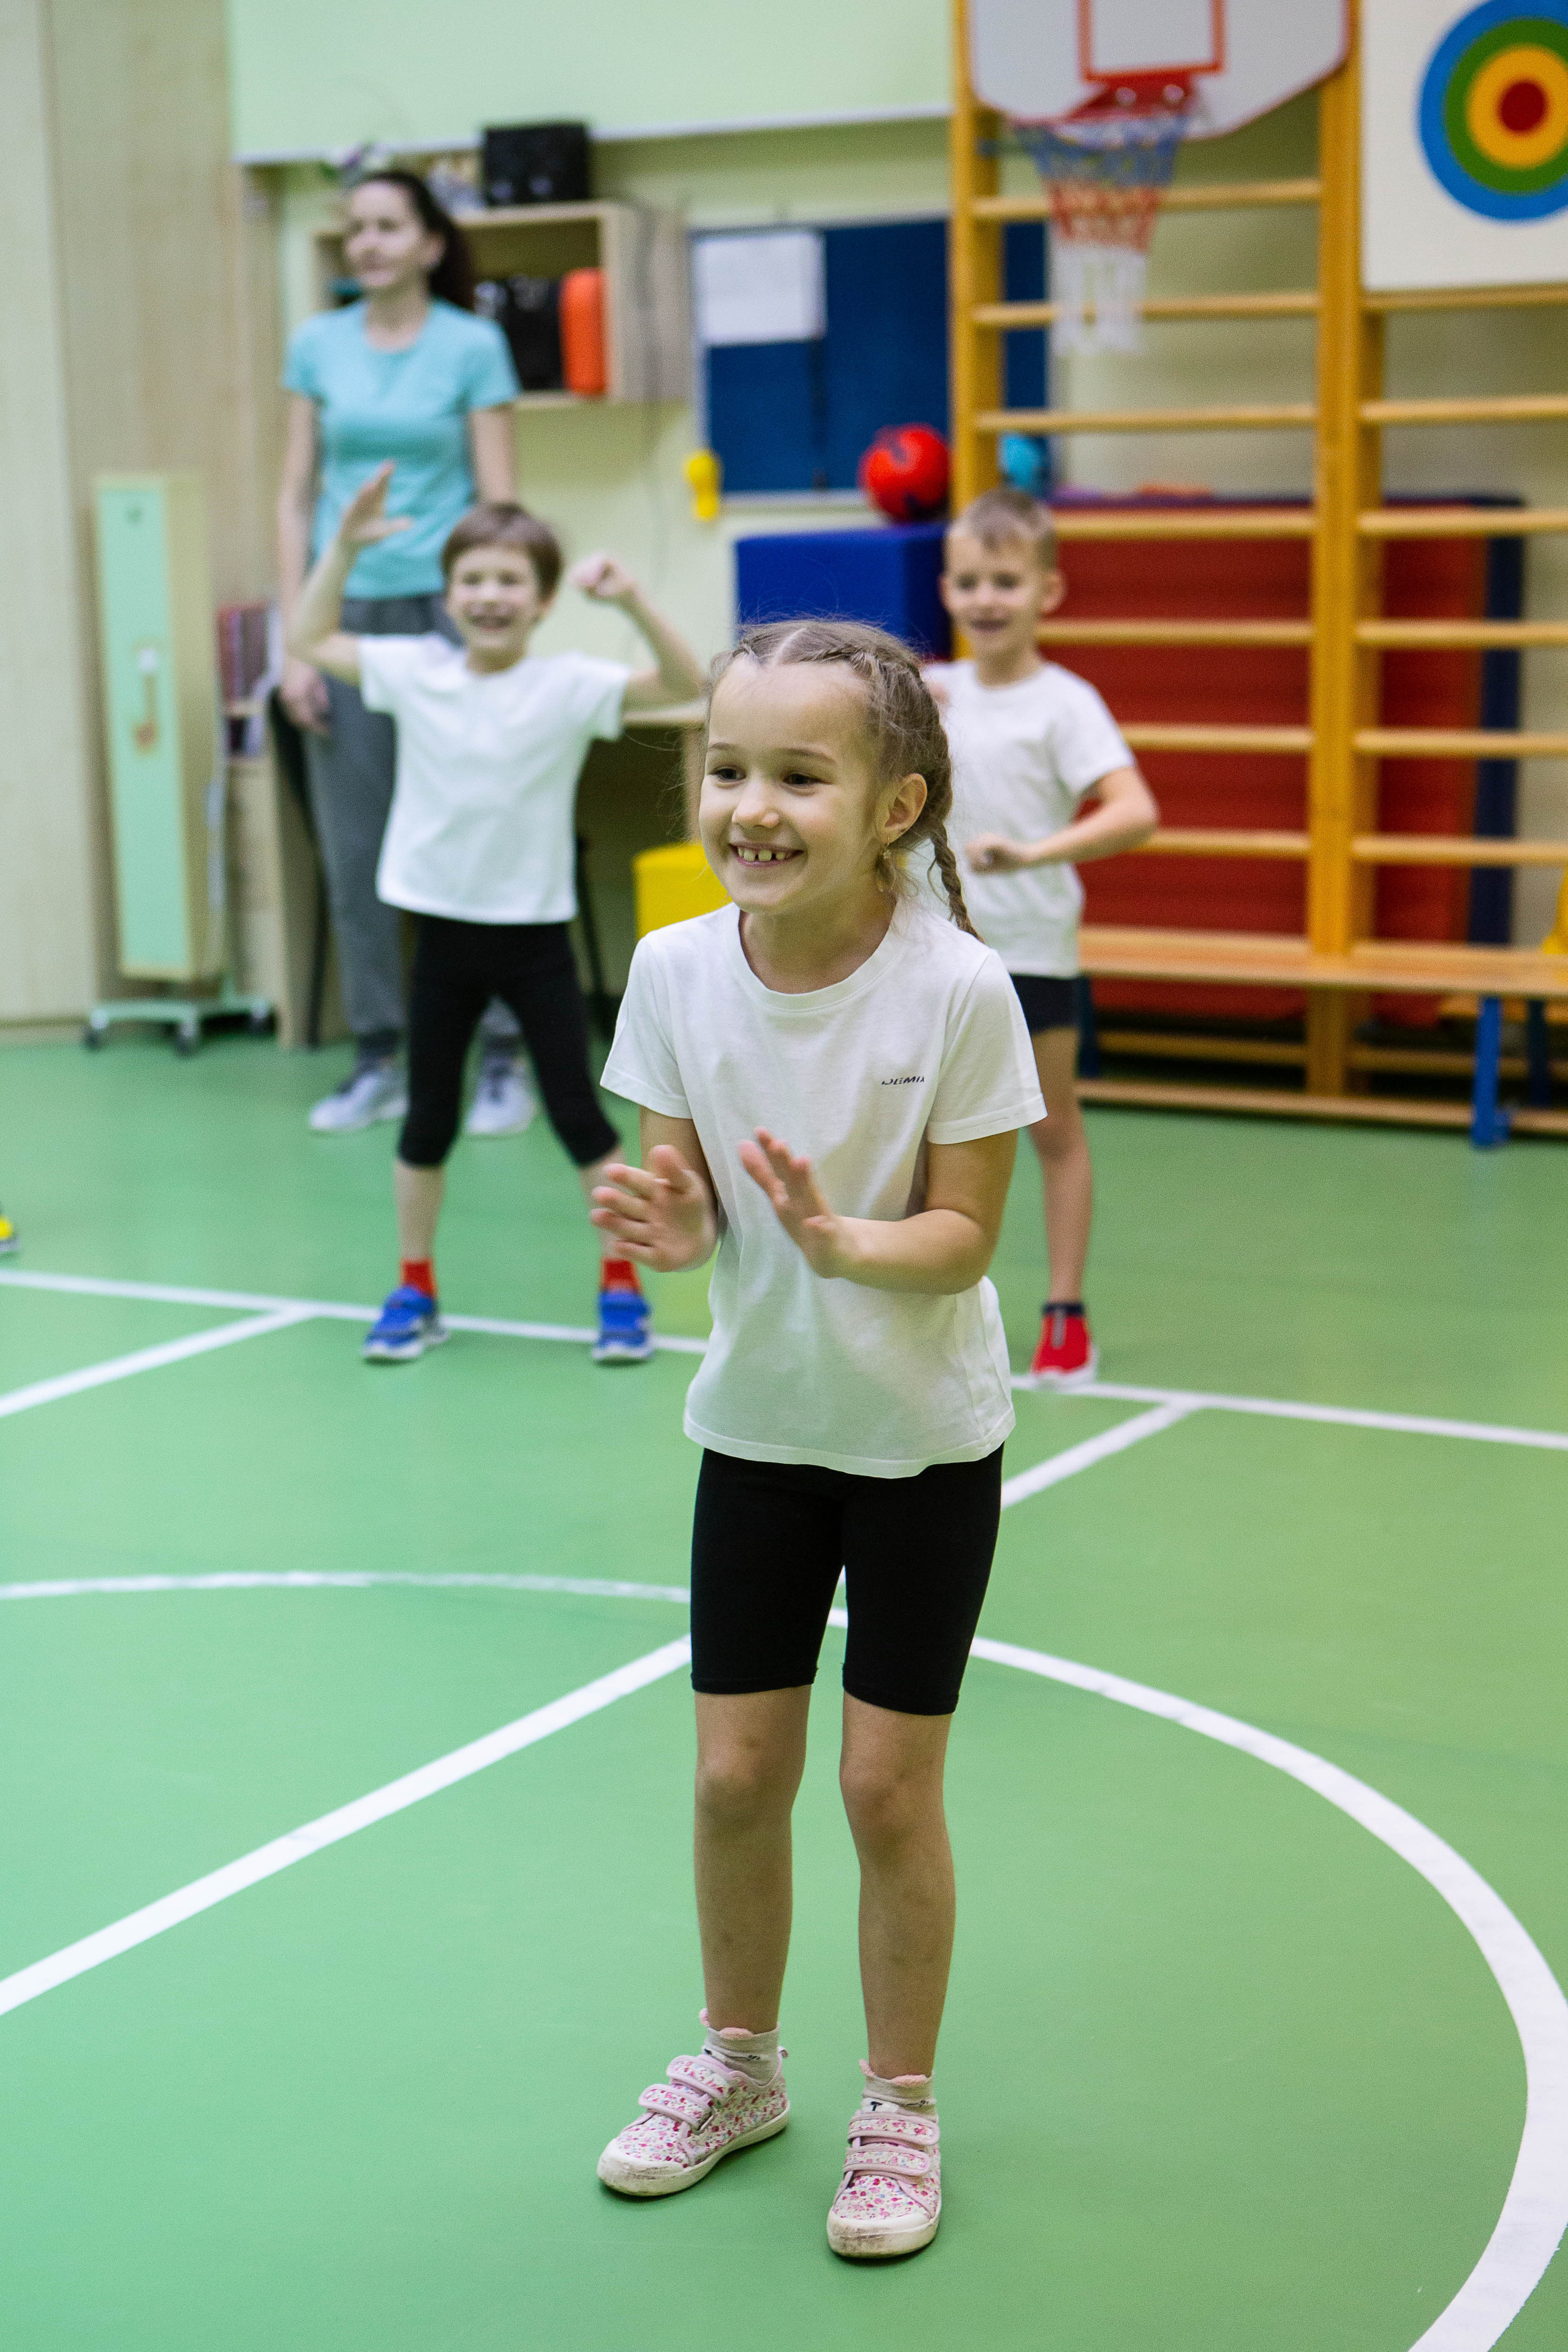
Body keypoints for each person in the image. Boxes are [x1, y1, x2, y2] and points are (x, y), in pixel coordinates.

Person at [590, 619, 1045, 2259]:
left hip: (922, 1440)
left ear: (898, 805)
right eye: (726, 769)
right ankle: (740, 2068)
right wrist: (657, 1221)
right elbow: (687, 1206)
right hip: (763, 1427)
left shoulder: (962, 990)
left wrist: (853, 1244)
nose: (750, 806)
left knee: (880, 1790)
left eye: (799, 773)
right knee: (733, 1777)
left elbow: (969, 1238)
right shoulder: (673, 970)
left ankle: (902, 2107)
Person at [287, 467, 705, 1365]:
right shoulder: (414, 671)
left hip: (535, 944)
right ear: (448, 595)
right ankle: (415, 1285)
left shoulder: (568, 686)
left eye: (510, 580)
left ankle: (620, 1289)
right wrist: (347, 547)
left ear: (544, 600)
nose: (489, 595)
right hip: (440, 939)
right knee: (426, 1123)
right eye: (473, 579)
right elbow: (308, 635)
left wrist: (632, 599)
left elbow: (682, 679)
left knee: (580, 1122)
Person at [278, 167, 535, 1139]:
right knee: (357, 845)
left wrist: (499, 623)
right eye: (357, 229)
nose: (369, 243)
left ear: (431, 243)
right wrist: (294, 644)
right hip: (342, 612)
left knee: (477, 826)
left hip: (450, 611)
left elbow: (500, 503)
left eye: (388, 226)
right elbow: (294, 496)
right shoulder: (316, 345)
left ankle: (504, 1054)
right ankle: (379, 1054)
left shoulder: (473, 346)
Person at [931, 487, 1158, 1387]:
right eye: (969, 581)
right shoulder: (931, 693)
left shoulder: (1068, 703)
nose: (987, 599)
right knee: (921, 1128)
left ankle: (1065, 1312)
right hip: (938, 952)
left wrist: (1033, 853)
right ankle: (924, 1296)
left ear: (1047, 592)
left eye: (1006, 581)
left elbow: (1136, 811)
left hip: (1033, 951)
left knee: (1051, 1129)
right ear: (947, 589)